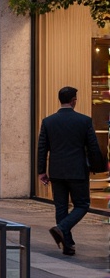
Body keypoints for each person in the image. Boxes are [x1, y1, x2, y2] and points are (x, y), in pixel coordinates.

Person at [37, 86, 107, 256]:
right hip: (77, 170)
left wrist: (41, 171)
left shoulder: (48, 121)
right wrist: (97, 167)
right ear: (74, 100)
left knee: (60, 207)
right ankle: (61, 228)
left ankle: (68, 245)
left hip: (57, 171)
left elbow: (42, 148)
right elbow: (92, 146)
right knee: (82, 204)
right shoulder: (84, 121)